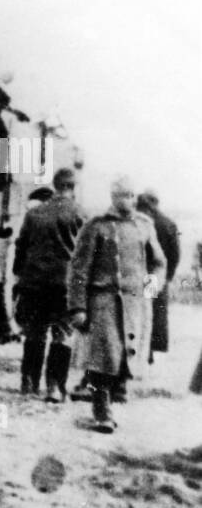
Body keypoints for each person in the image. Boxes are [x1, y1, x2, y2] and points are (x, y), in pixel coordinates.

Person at [67, 175, 166, 432]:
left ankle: (117, 391)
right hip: (103, 301)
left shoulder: (144, 226)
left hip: (134, 303)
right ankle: (102, 412)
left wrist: (151, 288)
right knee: (102, 357)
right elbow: (79, 270)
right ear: (113, 197)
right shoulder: (96, 226)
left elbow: (158, 262)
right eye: (123, 195)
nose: (129, 201)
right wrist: (77, 307)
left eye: (132, 196)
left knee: (124, 354)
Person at [13, 167, 84, 401]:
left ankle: (29, 382)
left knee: (35, 332)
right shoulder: (80, 214)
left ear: (55, 185)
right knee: (62, 335)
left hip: (34, 283)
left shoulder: (35, 214)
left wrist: (19, 276)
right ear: (73, 188)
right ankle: (54, 387)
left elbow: (21, 246)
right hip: (64, 285)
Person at [136, 190, 180, 363]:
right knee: (155, 314)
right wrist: (168, 276)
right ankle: (151, 352)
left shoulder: (138, 222)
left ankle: (143, 352)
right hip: (158, 276)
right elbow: (175, 254)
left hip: (140, 273)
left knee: (141, 313)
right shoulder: (168, 223)